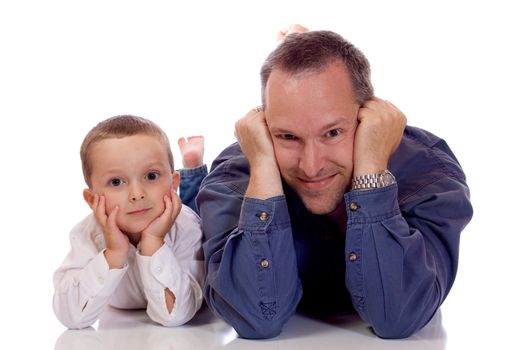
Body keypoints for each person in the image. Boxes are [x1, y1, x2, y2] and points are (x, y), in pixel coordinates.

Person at [196, 27, 473, 339]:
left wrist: (371, 171)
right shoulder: (236, 177)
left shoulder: (428, 172)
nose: (311, 165)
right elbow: (254, 317)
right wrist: (263, 169)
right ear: (263, 124)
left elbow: (399, 317)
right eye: (287, 136)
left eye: (333, 133)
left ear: (367, 116)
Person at [53, 115, 207, 329]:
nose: (137, 194)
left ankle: (193, 169)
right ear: (91, 199)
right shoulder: (86, 234)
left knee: (204, 207)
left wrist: (153, 242)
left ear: (173, 183)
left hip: (188, 213)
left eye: (151, 176)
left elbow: (177, 314)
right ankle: (190, 167)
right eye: (116, 182)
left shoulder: (188, 227)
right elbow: (71, 317)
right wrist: (114, 253)